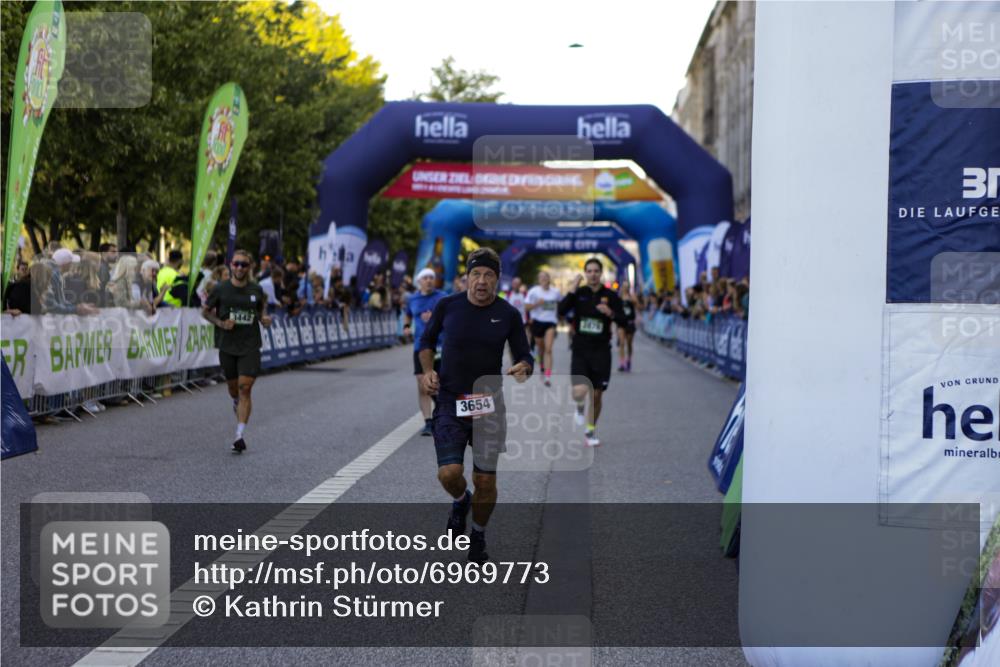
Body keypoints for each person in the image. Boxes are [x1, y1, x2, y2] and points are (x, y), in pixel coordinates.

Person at [419, 248, 532, 563]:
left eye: (489, 275)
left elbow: (525, 354)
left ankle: (478, 536)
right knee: (449, 473)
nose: (481, 281)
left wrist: (524, 366)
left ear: (497, 280)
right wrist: (428, 371)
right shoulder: (447, 306)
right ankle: (460, 499)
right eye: (476, 274)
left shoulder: (508, 313)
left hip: (488, 407)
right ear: (466, 277)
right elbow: (426, 343)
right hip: (449, 403)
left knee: (486, 480)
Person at [201, 249, 272, 453]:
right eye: (236, 264)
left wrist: (265, 320)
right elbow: (205, 312)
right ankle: (236, 402)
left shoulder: (256, 290)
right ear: (231, 265)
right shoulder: (220, 289)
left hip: (250, 345)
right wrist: (221, 323)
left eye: (244, 264)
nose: (239, 268)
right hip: (227, 344)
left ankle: (239, 435)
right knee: (234, 389)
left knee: (245, 388)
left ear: (249, 268)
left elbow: (261, 314)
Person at [558, 257, 627, 447]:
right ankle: (580, 408)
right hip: (580, 349)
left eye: (596, 271)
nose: (593, 274)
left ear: (601, 273)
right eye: (589, 271)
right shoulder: (579, 293)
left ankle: (590, 431)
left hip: (602, 350)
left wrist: (611, 313)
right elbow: (561, 310)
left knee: (597, 394)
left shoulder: (611, 296)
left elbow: (624, 321)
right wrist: (572, 288)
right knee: (579, 391)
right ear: (585, 273)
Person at [405, 268, 447, 436]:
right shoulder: (412, 299)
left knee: (439, 383)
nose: (429, 280)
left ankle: (442, 410)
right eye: (426, 278)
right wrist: (406, 326)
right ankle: (428, 422)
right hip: (420, 347)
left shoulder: (442, 297)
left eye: (432, 278)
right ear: (419, 281)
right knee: (422, 383)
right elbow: (408, 315)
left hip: (441, 345)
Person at [524, 271, 561, 387]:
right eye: (541, 277)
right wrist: (537, 304)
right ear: (539, 280)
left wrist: (560, 318)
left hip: (551, 322)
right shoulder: (533, 291)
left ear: (549, 279)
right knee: (541, 349)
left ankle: (547, 376)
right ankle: (542, 365)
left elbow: (561, 305)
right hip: (537, 322)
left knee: (548, 350)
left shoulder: (556, 292)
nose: (544, 279)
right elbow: (526, 307)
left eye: (546, 277)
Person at [617, 280, 639, 372]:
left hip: (630, 323)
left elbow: (638, 306)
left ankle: (628, 361)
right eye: (624, 286)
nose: (625, 288)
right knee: (622, 343)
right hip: (621, 323)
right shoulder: (619, 297)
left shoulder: (632, 296)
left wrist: (633, 301)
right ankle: (622, 364)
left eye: (627, 286)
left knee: (629, 344)